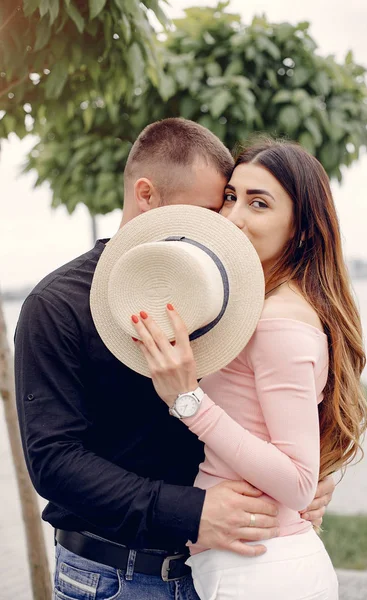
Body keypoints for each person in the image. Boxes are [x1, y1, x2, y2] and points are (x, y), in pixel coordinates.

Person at [15, 120, 334, 600]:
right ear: (147, 195)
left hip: (217, 571)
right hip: (113, 578)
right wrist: (192, 511)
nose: (224, 225)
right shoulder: (56, 305)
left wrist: (314, 476)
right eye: (213, 208)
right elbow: (54, 462)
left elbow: (278, 401)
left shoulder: (226, 293)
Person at [130, 138, 367, 599]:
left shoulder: (278, 320)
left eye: (258, 203)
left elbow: (298, 483)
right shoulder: (254, 307)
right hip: (252, 564)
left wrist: (189, 401)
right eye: (231, 197)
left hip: (264, 570)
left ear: (300, 229)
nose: (234, 217)